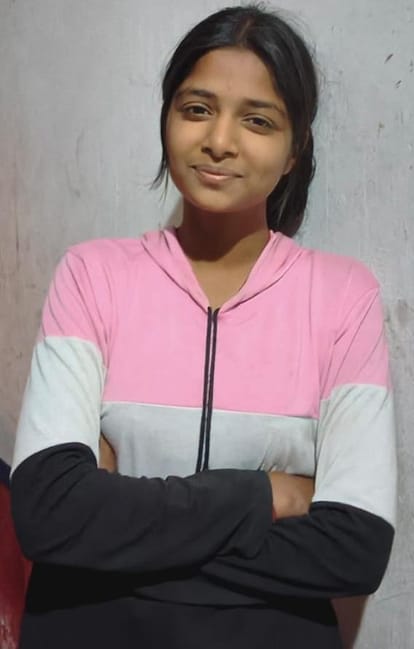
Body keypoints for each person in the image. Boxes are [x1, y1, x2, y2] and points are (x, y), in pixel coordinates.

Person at [10, 4, 397, 648]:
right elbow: (49, 514)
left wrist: (116, 521)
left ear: (296, 148)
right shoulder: (92, 275)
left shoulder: (342, 297)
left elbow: (354, 549)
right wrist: (267, 495)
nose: (219, 140)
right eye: (197, 109)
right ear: (166, 118)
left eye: (257, 120)